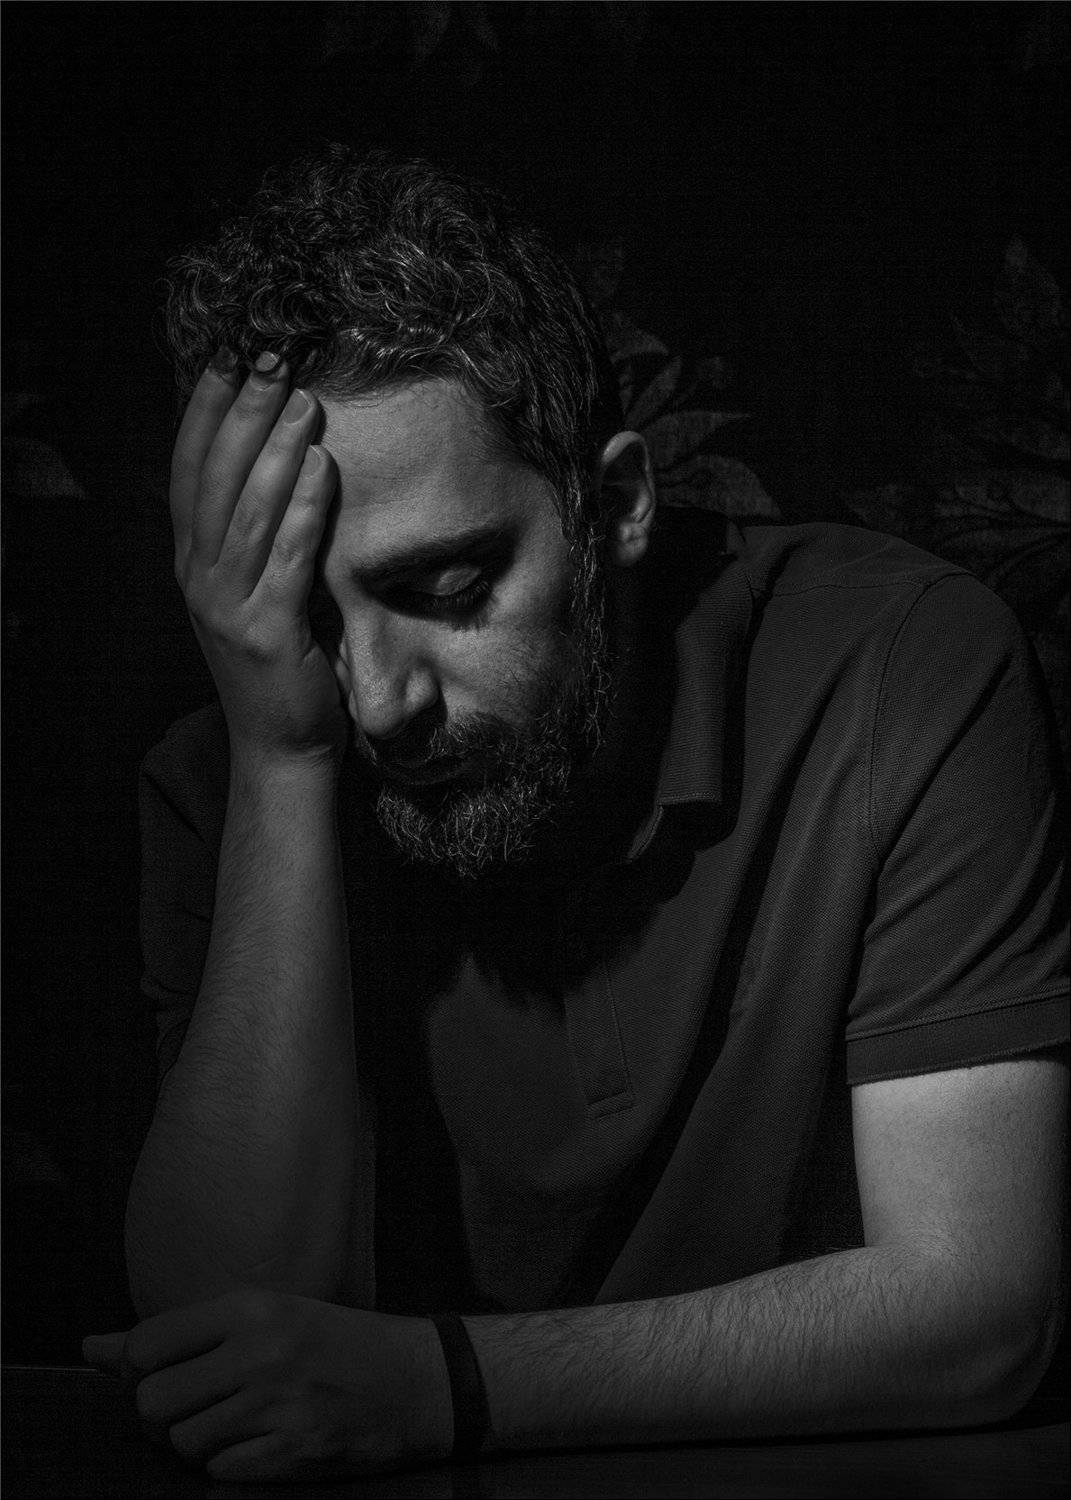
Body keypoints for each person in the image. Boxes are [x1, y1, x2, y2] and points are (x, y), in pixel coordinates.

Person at [83, 147, 1068, 1483]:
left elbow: (981, 1313)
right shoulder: (238, 769)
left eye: (446, 589)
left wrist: (444, 1385)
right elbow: (224, 1341)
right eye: (306, 618)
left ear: (614, 504)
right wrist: (282, 764)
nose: (377, 701)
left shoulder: (902, 668)